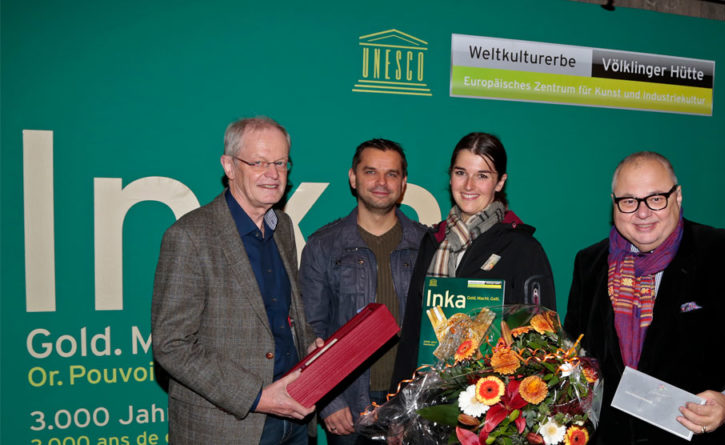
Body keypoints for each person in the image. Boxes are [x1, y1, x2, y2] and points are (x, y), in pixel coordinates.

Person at [564, 151, 725, 445]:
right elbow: (575, 354)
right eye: (629, 201)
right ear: (614, 204)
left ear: (678, 196)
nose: (642, 212)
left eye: (656, 198)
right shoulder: (590, 263)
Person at [151, 117, 323, 445]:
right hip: (227, 426)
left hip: (295, 421)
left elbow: (282, 314)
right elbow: (172, 345)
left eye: (280, 162)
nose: (273, 174)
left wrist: (310, 344)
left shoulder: (283, 226)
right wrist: (256, 397)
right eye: (258, 162)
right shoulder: (189, 236)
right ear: (229, 166)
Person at [393, 132, 556, 387]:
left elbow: (539, 342)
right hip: (425, 397)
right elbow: (413, 330)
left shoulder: (522, 248)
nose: (469, 185)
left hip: (491, 403)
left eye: (482, 175)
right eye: (461, 173)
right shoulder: (433, 241)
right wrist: (399, 405)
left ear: (500, 182)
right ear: (450, 176)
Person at [299, 138, 426, 445]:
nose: (381, 182)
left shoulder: (428, 244)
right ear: (353, 178)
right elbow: (310, 328)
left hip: (413, 401)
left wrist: (424, 403)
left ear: (404, 183)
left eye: (392, 174)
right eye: (371, 172)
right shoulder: (323, 245)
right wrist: (328, 399)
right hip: (348, 403)